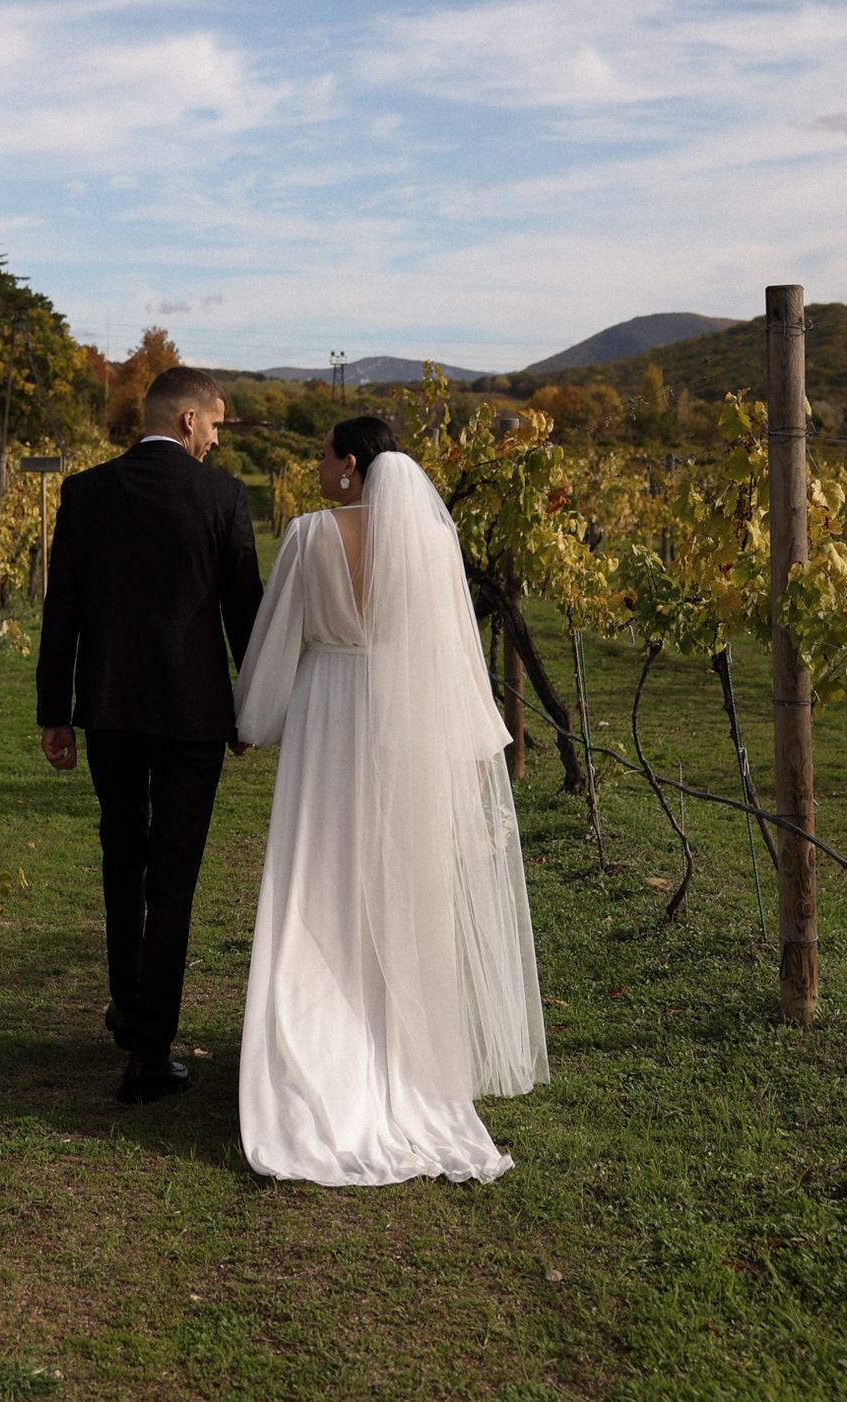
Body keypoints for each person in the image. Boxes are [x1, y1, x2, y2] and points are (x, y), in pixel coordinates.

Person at [231, 415, 547, 1185]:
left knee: (321, 878)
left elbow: (277, 639)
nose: (316, 466)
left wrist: (252, 720)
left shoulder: (309, 535)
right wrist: (472, 744)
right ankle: (403, 1059)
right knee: (401, 885)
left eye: (322, 454)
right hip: (406, 719)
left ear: (348, 465)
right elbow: (455, 651)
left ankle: (319, 1053)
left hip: (328, 716)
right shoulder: (433, 541)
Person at [38, 366, 265, 1104]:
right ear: (189, 420)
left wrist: (55, 711)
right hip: (193, 718)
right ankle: (149, 1050)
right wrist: (251, 709)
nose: (218, 438)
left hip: (109, 709)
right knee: (173, 879)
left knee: (122, 858)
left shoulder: (85, 492)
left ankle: (128, 1006)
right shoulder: (223, 496)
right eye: (217, 424)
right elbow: (245, 616)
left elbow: (62, 609)